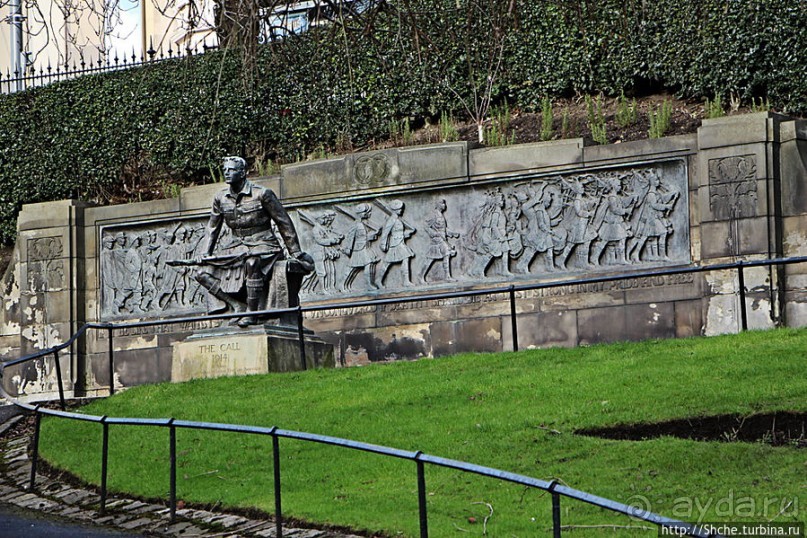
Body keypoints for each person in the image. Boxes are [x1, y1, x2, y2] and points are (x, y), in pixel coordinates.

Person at [194, 156, 312, 327]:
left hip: (264, 245)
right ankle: (236, 305)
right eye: (225, 169)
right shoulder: (220, 198)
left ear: (243, 173)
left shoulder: (262, 194)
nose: (227, 173)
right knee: (201, 273)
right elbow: (212, 227)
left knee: (252, 262)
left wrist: (295, 252)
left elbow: (283, 222)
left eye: (232, 169)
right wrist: (205, 253)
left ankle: (252, 313)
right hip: (235, 248)